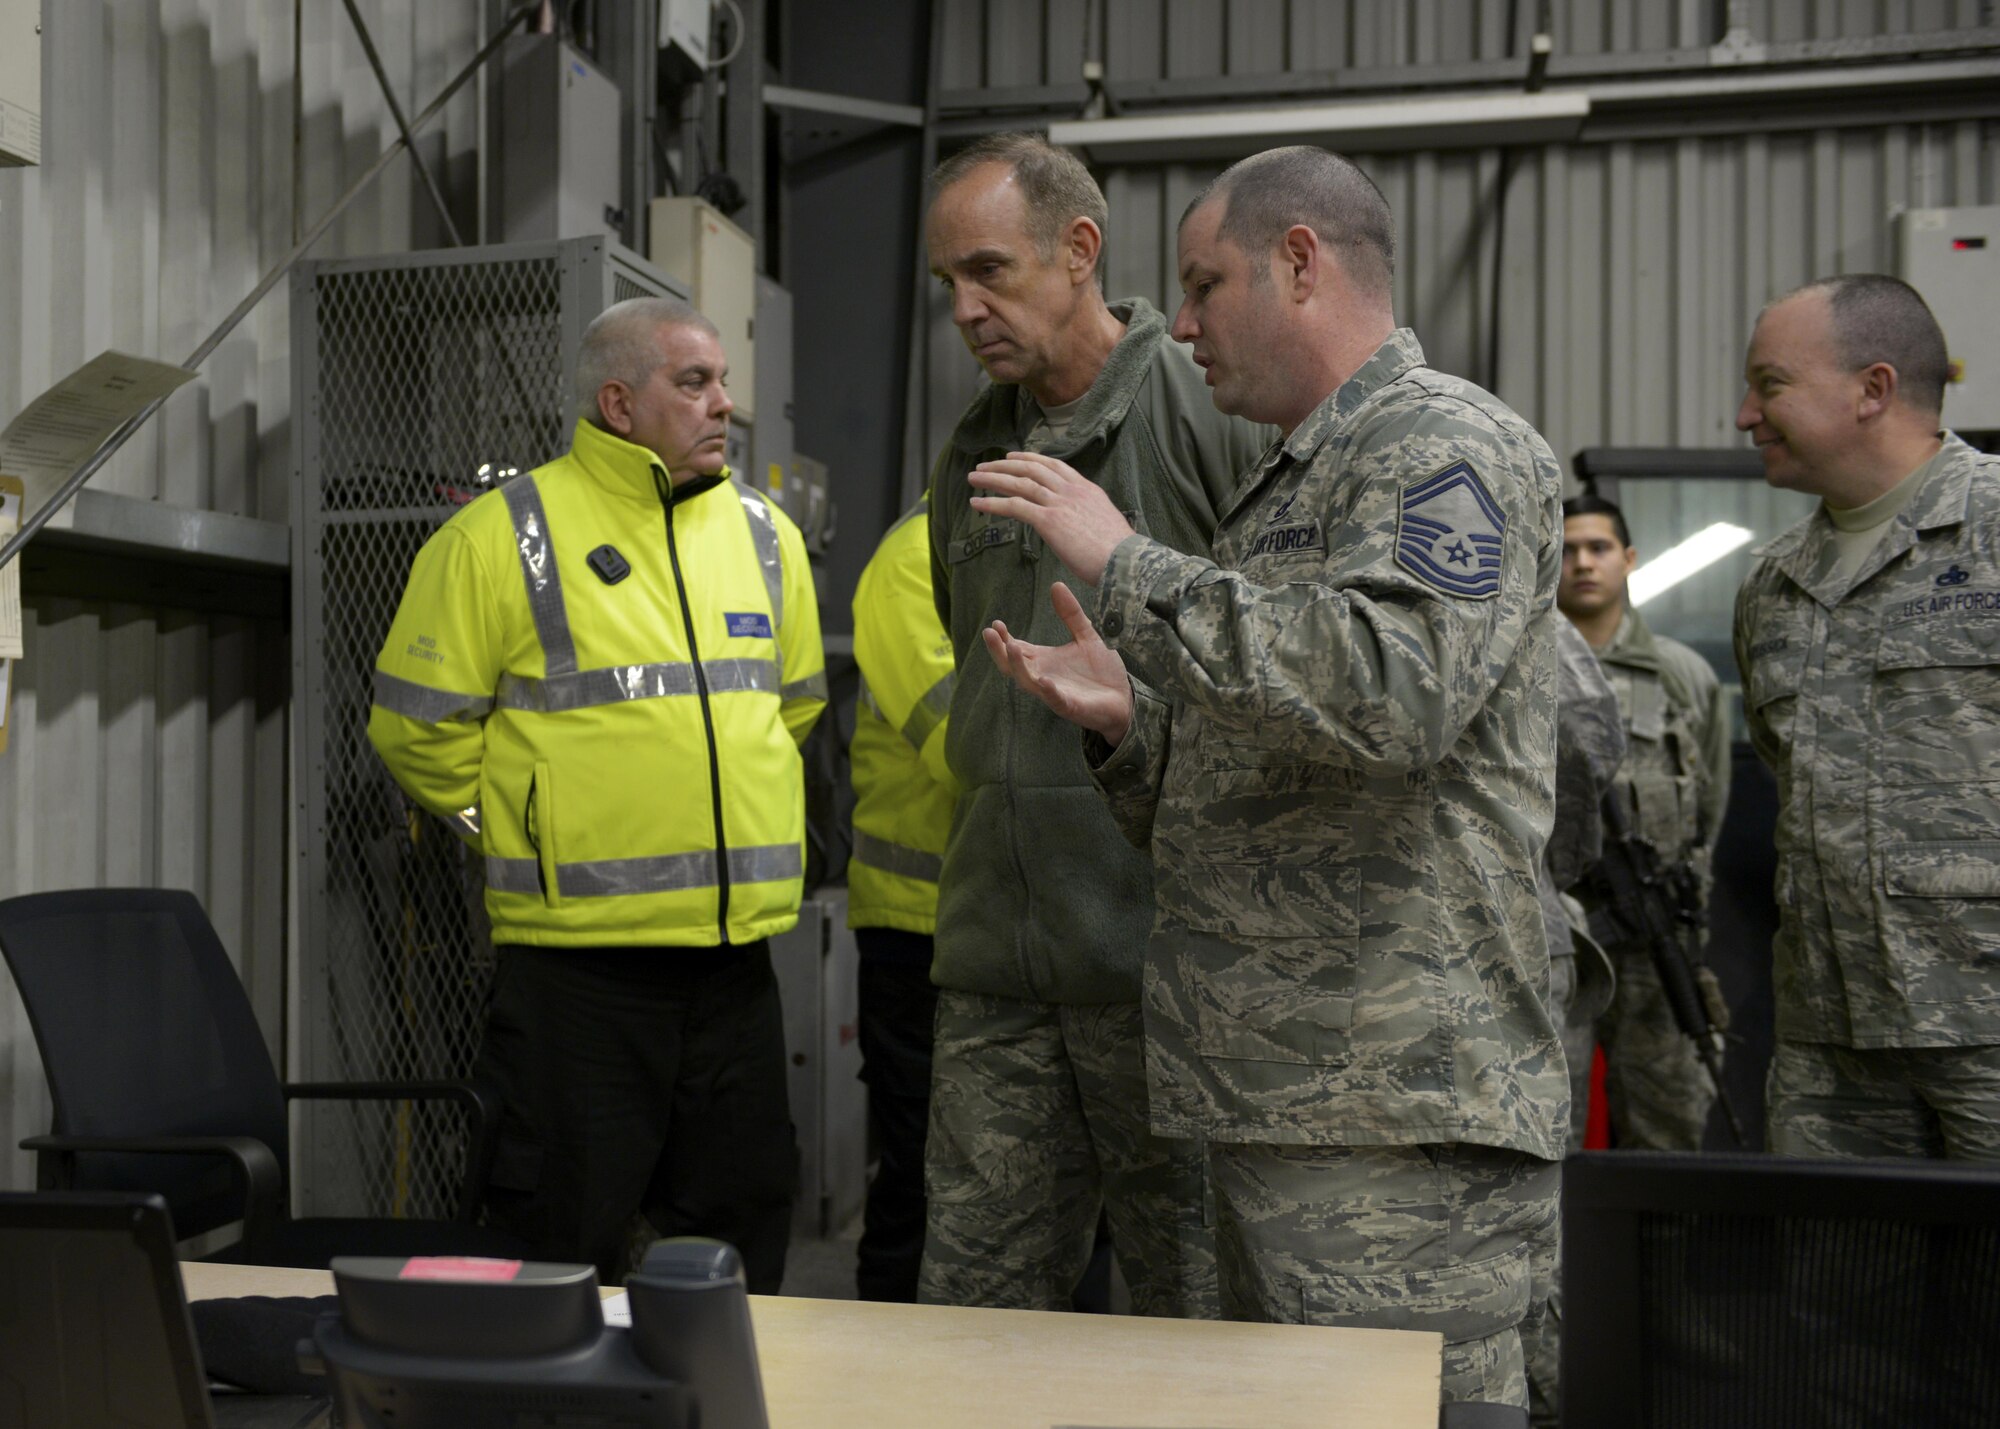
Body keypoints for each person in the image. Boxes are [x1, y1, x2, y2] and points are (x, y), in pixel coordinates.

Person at [972, 145, 1568, 1408]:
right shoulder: (1290, 477)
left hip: (1394, 1118)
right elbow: (1284, 780)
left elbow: (1395, 692)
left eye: (1203, 284)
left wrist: (1127, 564)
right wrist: (1135, 730)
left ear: (1298, 263)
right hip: (1278, 1093)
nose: (1180, 324)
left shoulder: (1440, 444)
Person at [367, 296, 826, 1289]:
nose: (724, 405)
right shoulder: (499, 537)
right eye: (693, 382)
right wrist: (522, 829)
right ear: (618, 404)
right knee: (560, 1239)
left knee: (744, 1235)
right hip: (577, 980)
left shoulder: (767, 538)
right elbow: (414, 728)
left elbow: (790, 708)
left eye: (724, 381)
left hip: (733, 970)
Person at [921, 132, 1268, 1316]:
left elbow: (1275, 661)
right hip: (997, 972)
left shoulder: (1206, 410)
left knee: (1191, 1317)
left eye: (989, 272)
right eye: (946, 284)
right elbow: (967, 664)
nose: (964, 311)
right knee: (972, 1318)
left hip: (1164, 972)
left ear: (1078, 250)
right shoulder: (973, 450)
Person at [1733, 273, 2000, 1163]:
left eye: (1770, 384)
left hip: (1988, 1033)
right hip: (1828, 1049)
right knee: (1837, 1257)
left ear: (1873, 389)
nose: (1745, 414)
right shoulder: (1773, 585)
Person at [1559, 492, 1732, 1150]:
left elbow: (1709, 807)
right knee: (1543, 1134)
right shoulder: (1519, 665)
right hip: (1549, 941)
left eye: (1598, 547)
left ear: (1628, 558)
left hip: (1649, 942)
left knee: (1666, 1130)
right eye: (1567, 550)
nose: (1583, 562)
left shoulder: (1679, 673)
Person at [847, 492, 955, 1302]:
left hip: (1014, 921)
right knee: (923, 1180)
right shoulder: (915, 557)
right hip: (920, 928)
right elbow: (965, 748)